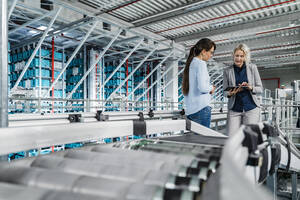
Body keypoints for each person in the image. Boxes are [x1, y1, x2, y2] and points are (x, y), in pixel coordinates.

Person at [223, 43, 263, 136]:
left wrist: (250, 87)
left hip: (251, 108)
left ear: (245, 57)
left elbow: (260, 89)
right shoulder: (227, 71)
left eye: (242, 56)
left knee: (250, 138)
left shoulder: (252, 68)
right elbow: (224, 92)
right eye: (237, 56)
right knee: (231, 137)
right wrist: (230, 93)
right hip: (234, 109)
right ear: (233, 56)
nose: (239, 58)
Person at [182, 38, 216, 128]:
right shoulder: (201, 63)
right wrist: (211, 88)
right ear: (204, 51)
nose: (211, 55)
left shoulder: (191, 63)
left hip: (191, 110)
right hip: (201, 109)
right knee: (203, 140)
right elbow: (202, 87)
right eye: (211, 52)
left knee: (194, 140)